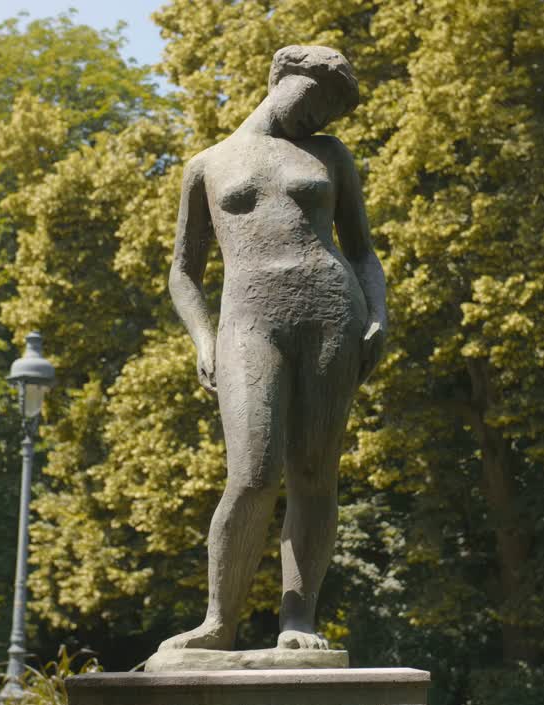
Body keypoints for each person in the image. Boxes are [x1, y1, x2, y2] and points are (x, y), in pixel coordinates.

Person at [162, 45, 387, 652]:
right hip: (247, 321)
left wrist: (379, 314)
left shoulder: (331, 155)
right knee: (252, 473)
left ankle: (298, 620)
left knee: (314, 472)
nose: (321, 117)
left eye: (332, 110)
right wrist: (203, 339)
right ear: (285, 76)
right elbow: (184, 272)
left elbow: (362, 251)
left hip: (331, 313)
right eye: (318, 99)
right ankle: (218, 622)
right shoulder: (207, 165)